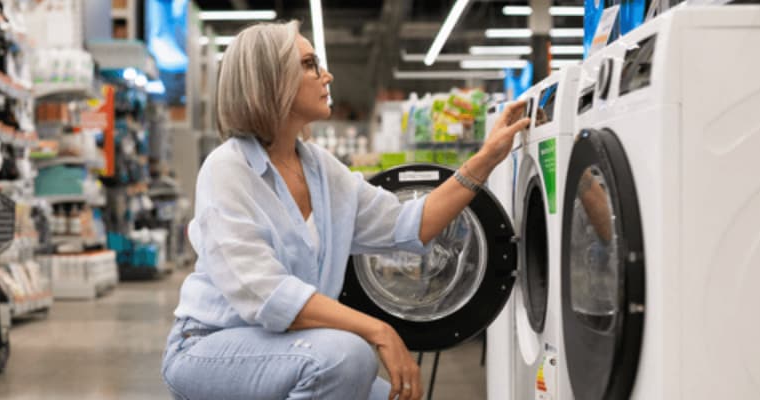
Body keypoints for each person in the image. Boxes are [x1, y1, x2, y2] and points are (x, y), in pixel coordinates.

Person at [161, 21, 530, 400]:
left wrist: (486, 159)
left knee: (387, 389)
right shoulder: (228, 169)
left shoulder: (322, 170)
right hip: (209, 348)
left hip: (294, 349)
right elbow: (268, 296)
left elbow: (411, 225)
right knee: (347, 357)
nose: (326, 75)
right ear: (270, 80)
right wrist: (378, 330)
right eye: (309, 64)